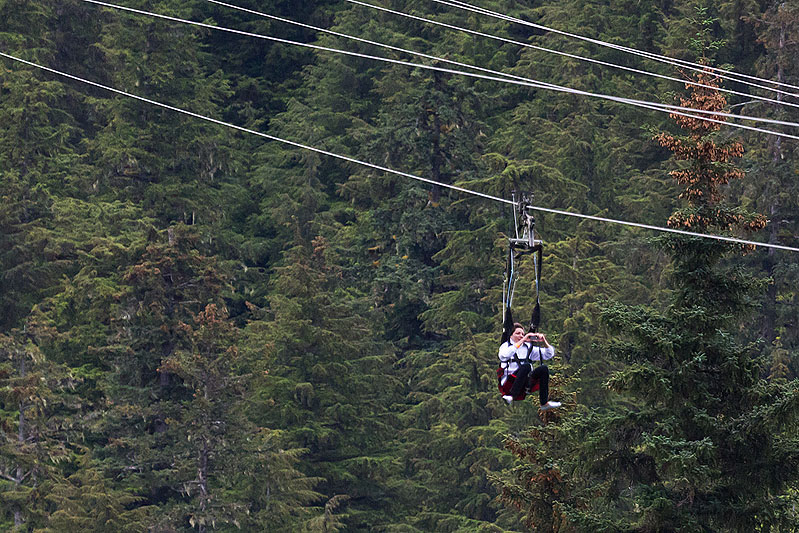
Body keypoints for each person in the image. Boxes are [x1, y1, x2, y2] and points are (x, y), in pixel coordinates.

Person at [498, 323, 561, 409]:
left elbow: (548, 354)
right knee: (526, 366)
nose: (521, 336)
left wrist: (543, 341)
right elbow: (504, 355)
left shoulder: (527, 347)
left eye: (522, 334)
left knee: (543, 369)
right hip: (509, 382)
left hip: (525, 382)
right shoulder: (505, 346)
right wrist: (523, 340)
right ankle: (511, 396)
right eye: (518, 333)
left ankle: (544, 403)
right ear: (511, 335)